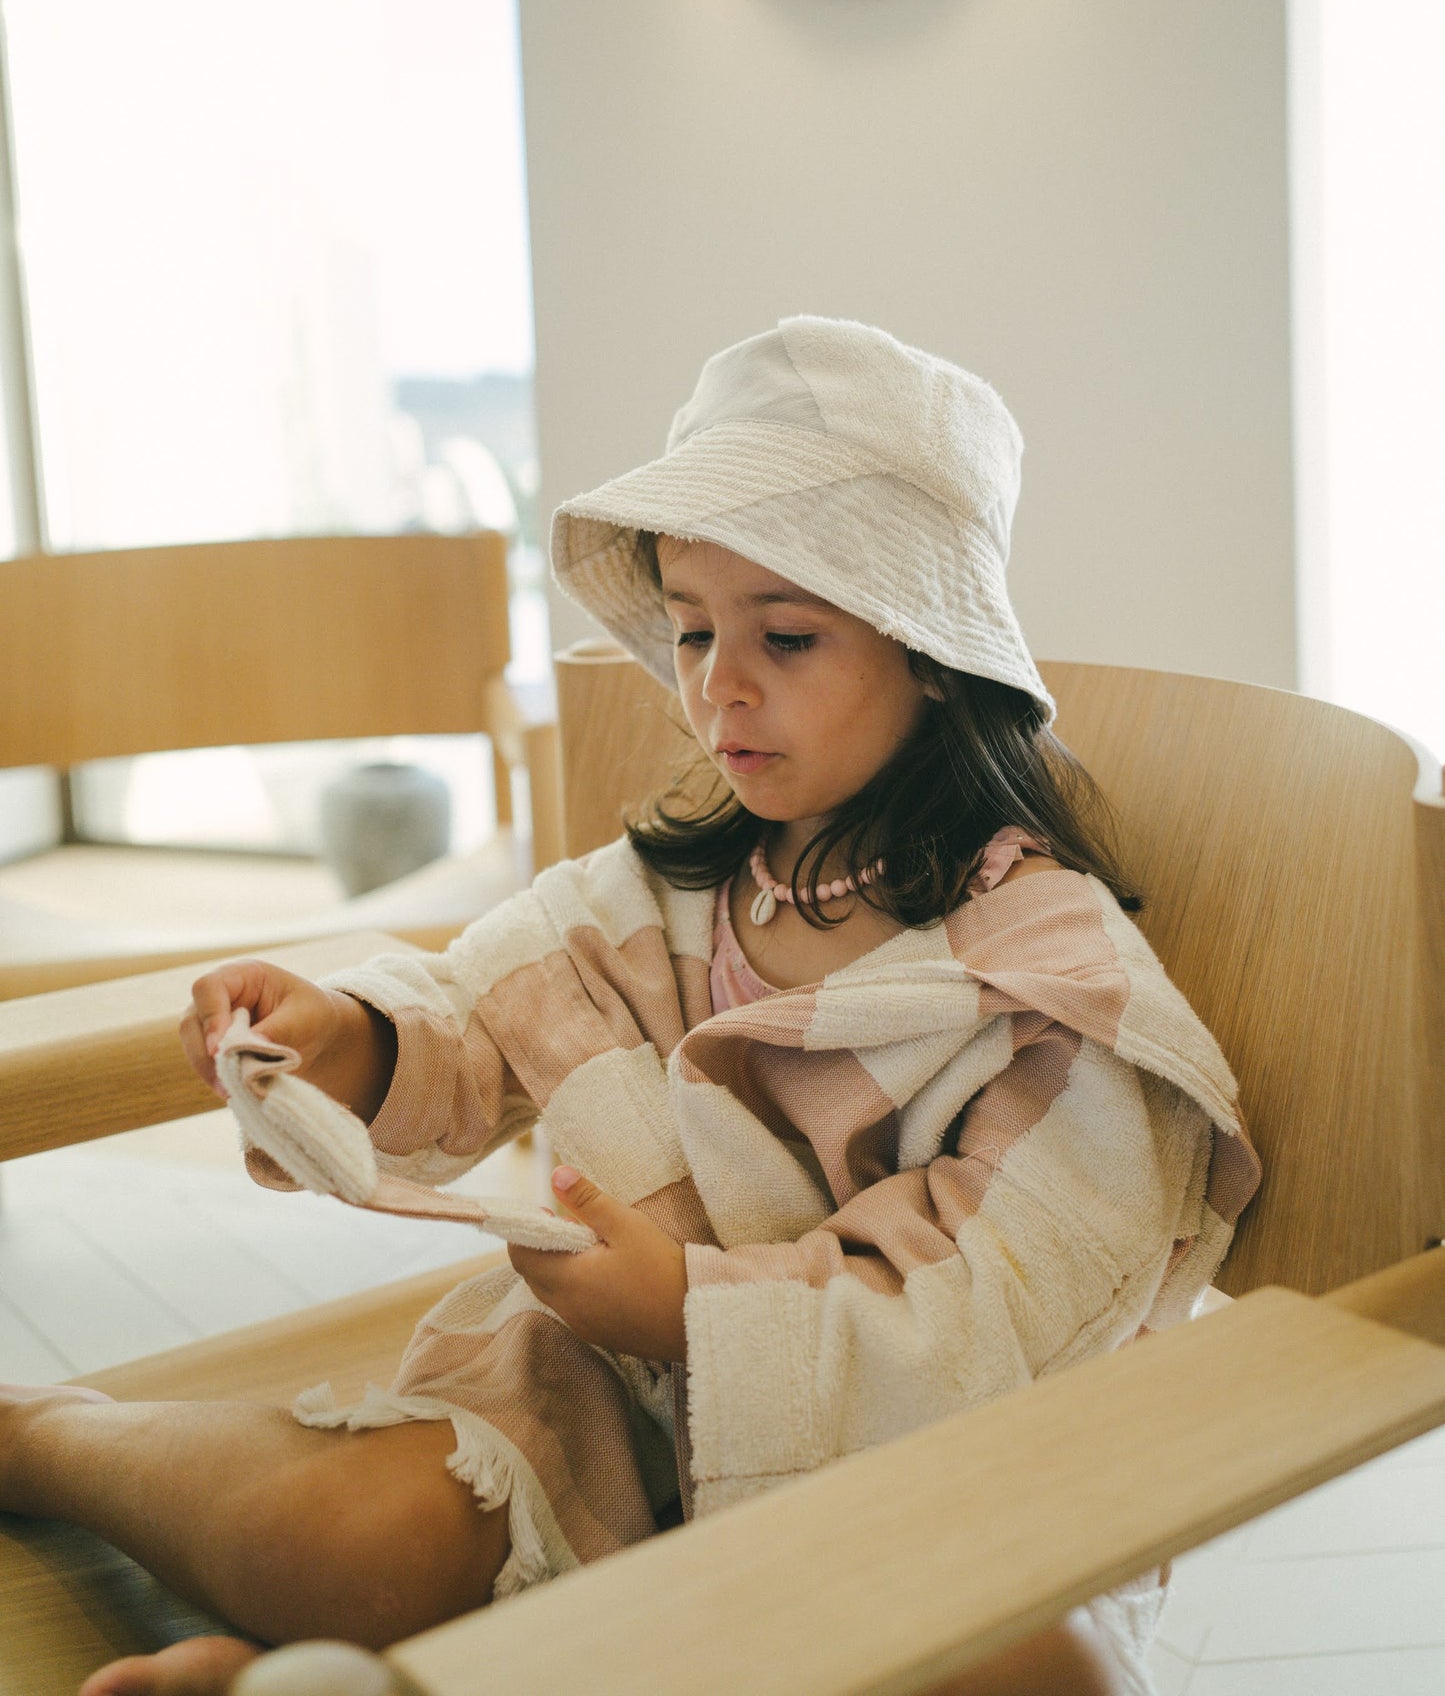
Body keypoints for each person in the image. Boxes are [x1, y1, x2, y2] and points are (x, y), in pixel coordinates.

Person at [0, 317, 1260, 1696]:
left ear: (930, 653)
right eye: (690, 630)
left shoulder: (1052, 998)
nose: (719, 683)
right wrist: (342, 1039)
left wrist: (685, 1308)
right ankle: (50, 1435)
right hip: (608, 1423)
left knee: (1031, 1670)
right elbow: (472, 1013)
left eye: (785, 634)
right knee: (359, 1545)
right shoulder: (665, 890)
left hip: (930, 1490)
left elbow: (984, 1331)